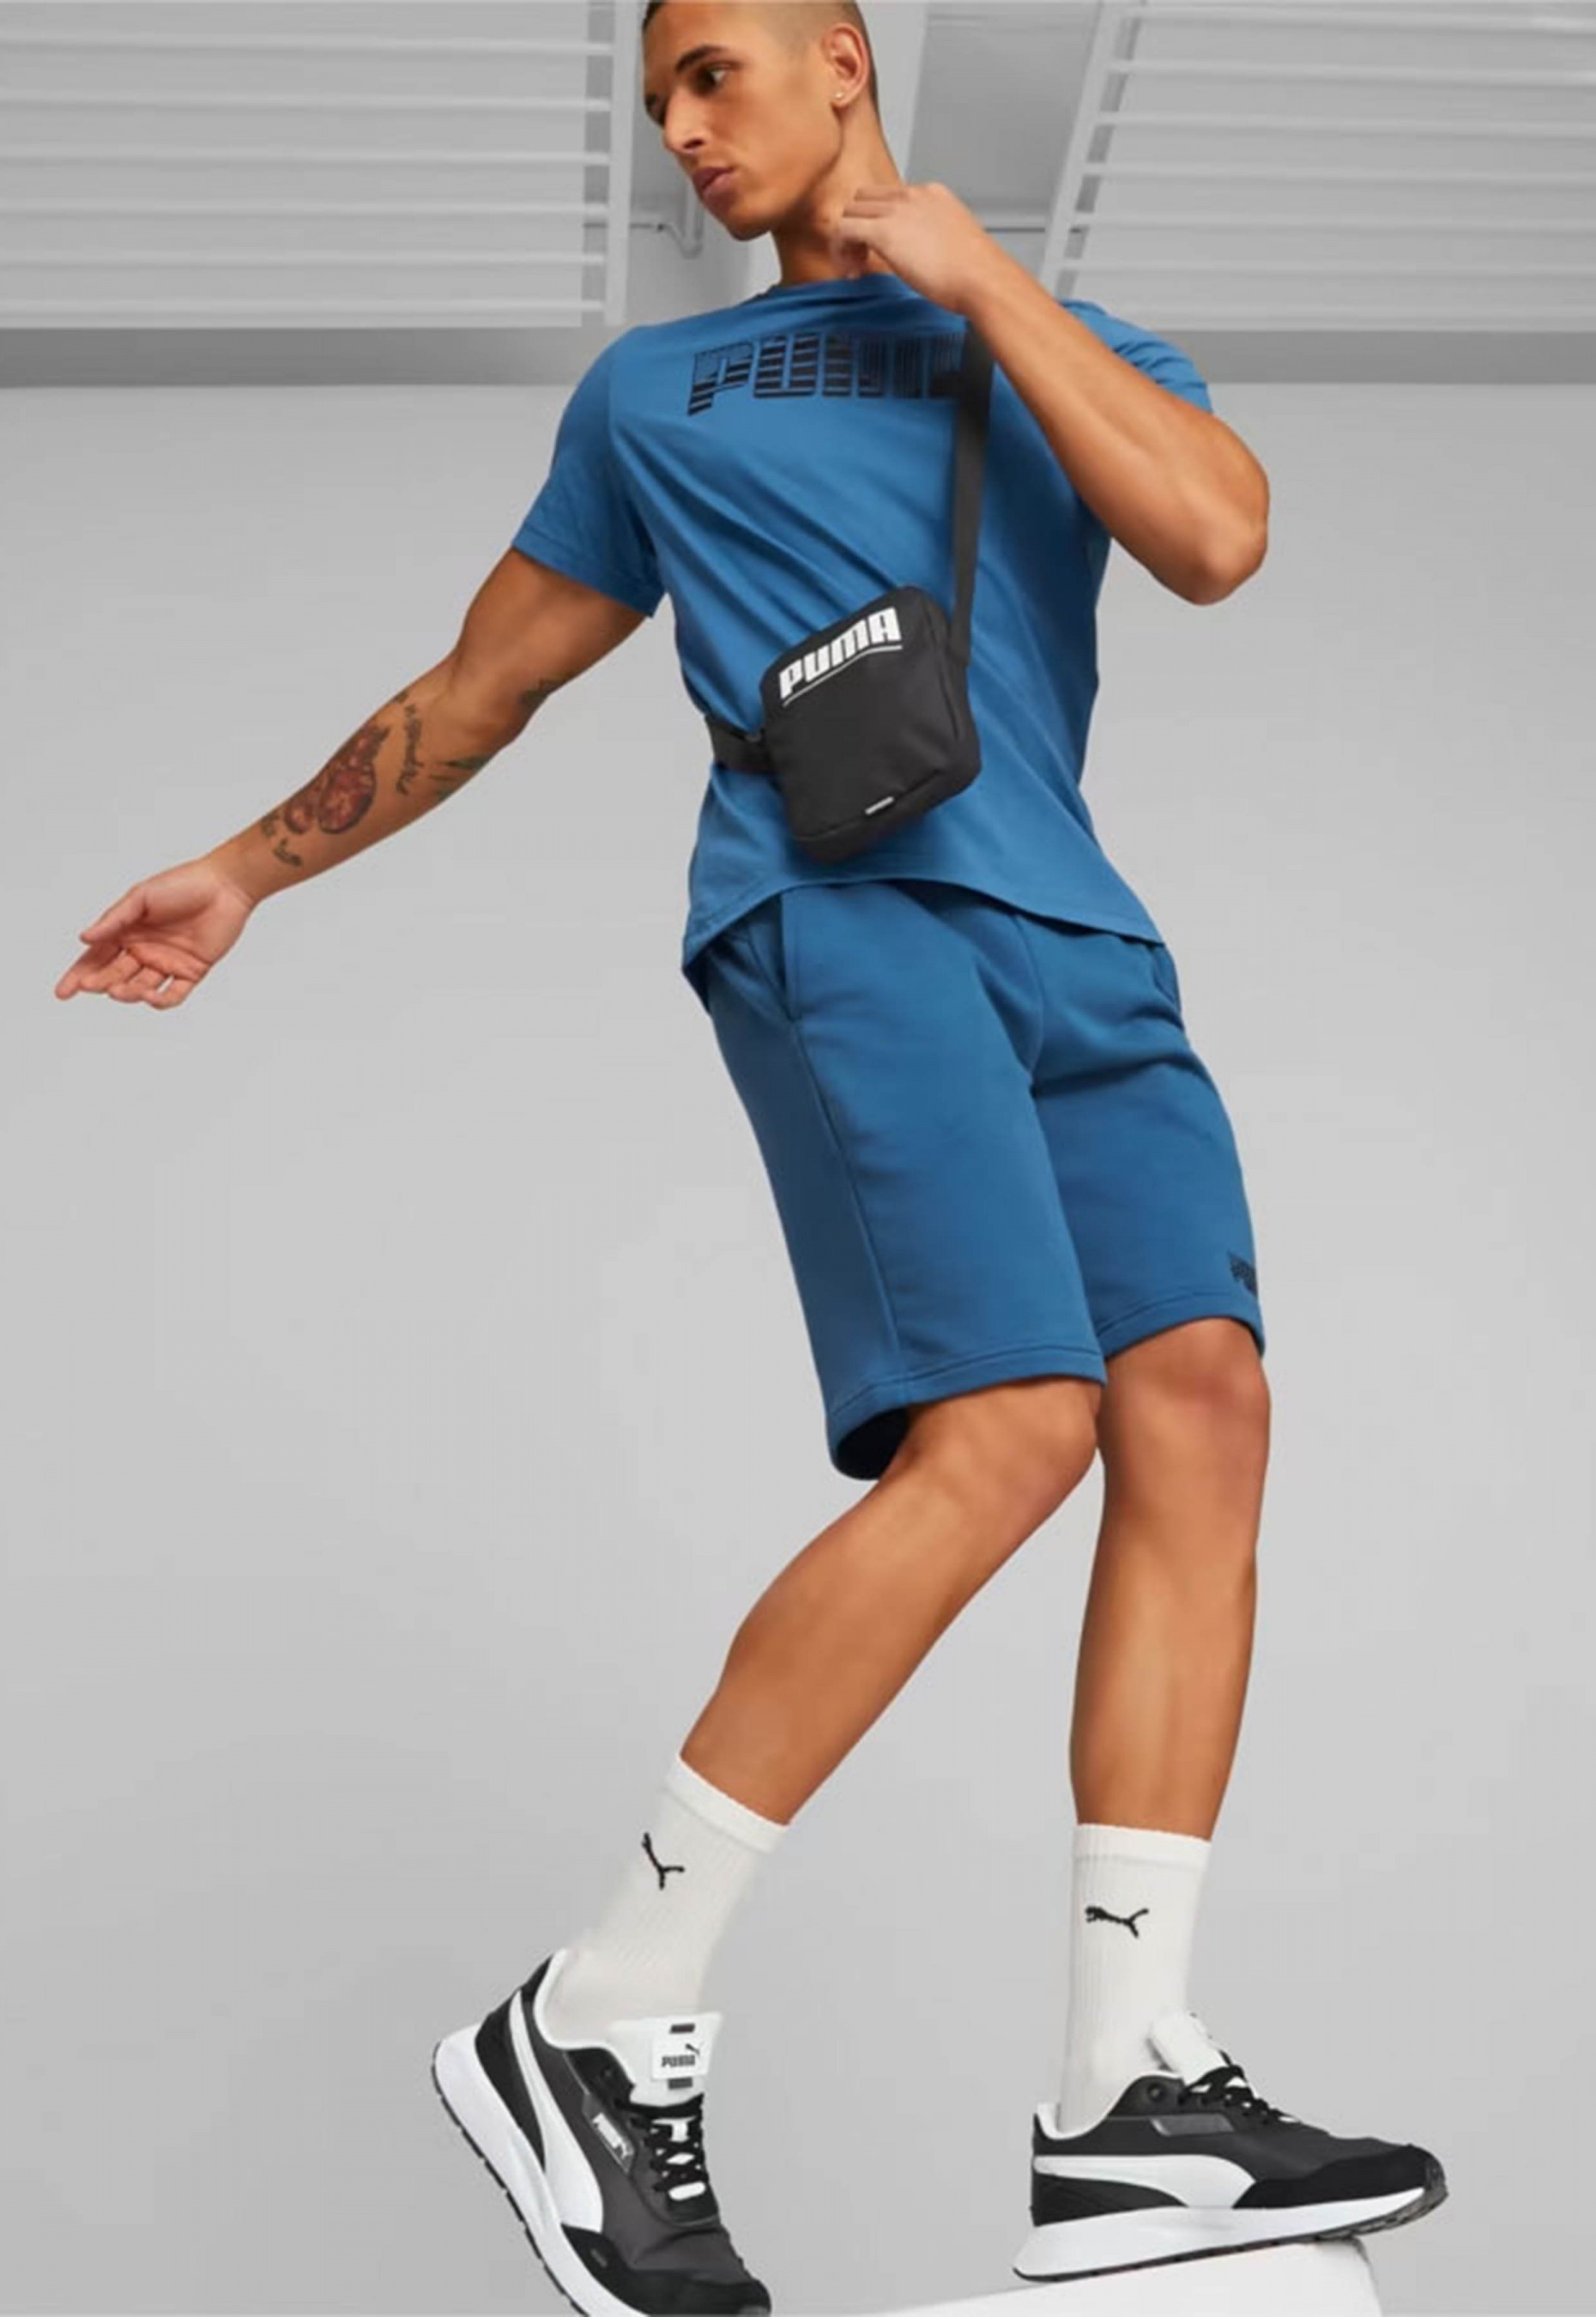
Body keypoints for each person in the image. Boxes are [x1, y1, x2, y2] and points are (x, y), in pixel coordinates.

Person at [55, 3, 1445, 2307]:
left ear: (840, 55)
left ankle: (1124, 2090)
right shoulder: (654, 396)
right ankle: (600, 2007)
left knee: (1202, 1402)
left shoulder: (1075, 343)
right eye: (658, 104)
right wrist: (245, 868)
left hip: (1078, 938)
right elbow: (478, 687)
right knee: (1015, 1421)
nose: (686, 132)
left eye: (714, 73)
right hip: (839, 906)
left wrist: (978, 279)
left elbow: (1214, 534)